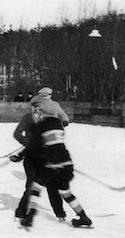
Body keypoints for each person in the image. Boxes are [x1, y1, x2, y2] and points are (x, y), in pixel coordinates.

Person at [10, 94, 92, 229]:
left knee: (36, 187)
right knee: (65, 192)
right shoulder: (58, 124)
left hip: (52, 164)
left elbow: (34, 146)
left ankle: (29, 217)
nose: (37, 113)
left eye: (39, 110)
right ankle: (84, 217)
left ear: (43, 112)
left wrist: (19, 156)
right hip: (66, 163)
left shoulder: (41, 125)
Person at [12, 94, 66, 222]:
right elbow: (17, 134)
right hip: (31, 157)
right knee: (32, 184)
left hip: (46, 157)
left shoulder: (49, 121)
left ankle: (60, 214)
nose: (37, 109)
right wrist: (27, 144)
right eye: (35, 107)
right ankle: (21, 212)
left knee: (52, 185)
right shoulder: (28, 118)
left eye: (39, 107)